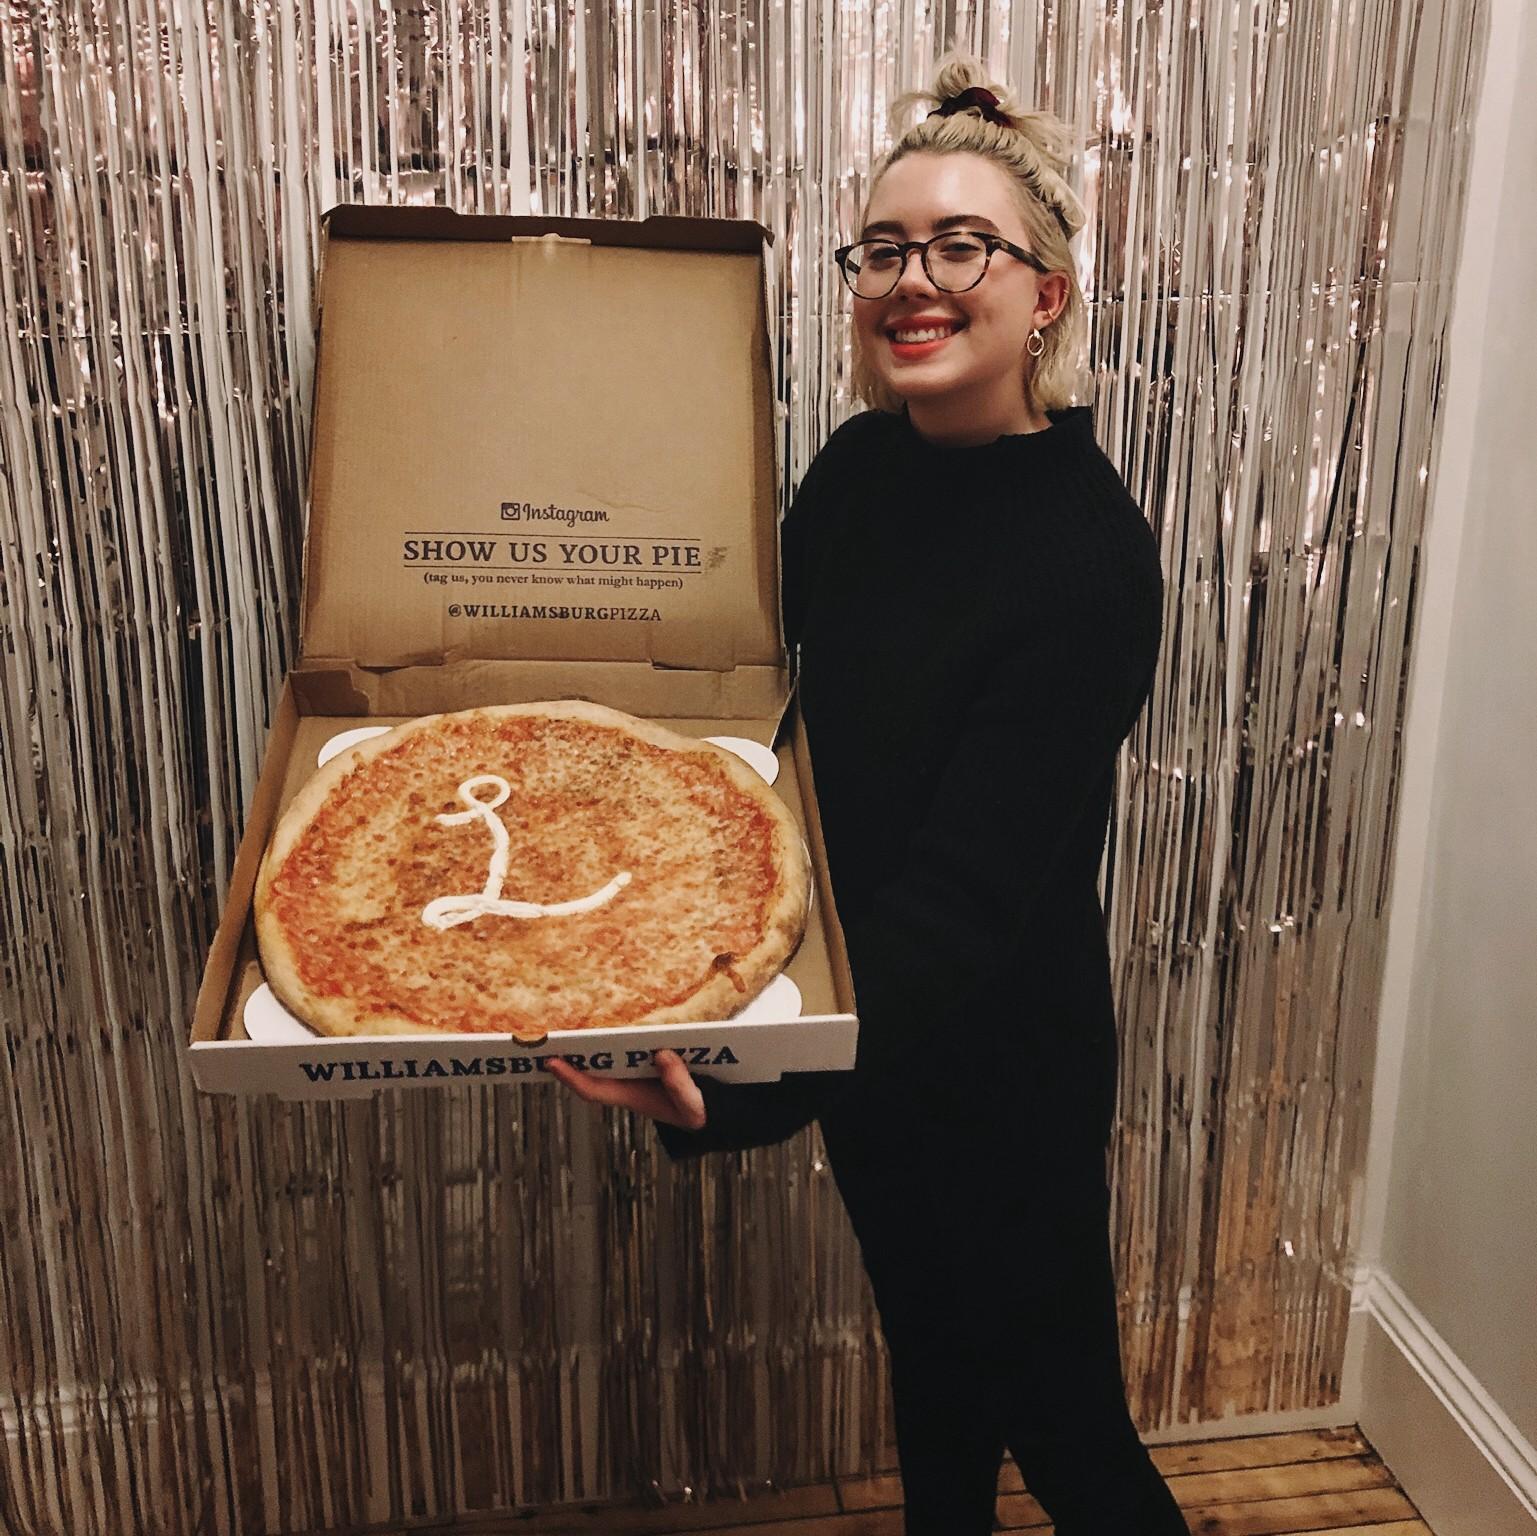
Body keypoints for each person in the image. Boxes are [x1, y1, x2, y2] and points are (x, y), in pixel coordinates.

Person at [548, 51, 1191, 1536]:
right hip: (864, 1037)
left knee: (1070, 1432)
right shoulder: (850, 474)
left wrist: (741, 1080)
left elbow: (964, 906)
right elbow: (777, 745)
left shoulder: (1089, 557)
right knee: (934, 1373)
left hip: (998, 1071)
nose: (913, 280)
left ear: (1046, 295)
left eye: (962, 247)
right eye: (885, 249)